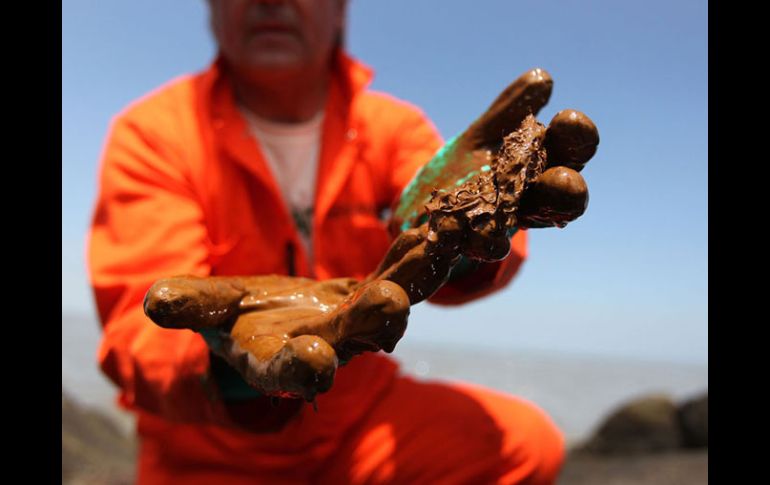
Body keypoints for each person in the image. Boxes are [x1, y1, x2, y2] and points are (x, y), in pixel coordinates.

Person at [88, 0, 566, 483]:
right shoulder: (154, 133)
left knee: (525, 444)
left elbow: (435, 204)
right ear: (210, 10)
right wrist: (227, 368)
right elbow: (137, 322)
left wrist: (462, 249)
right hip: (210, 451)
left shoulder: (392, 128)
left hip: (359, 423)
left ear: (340, 12)